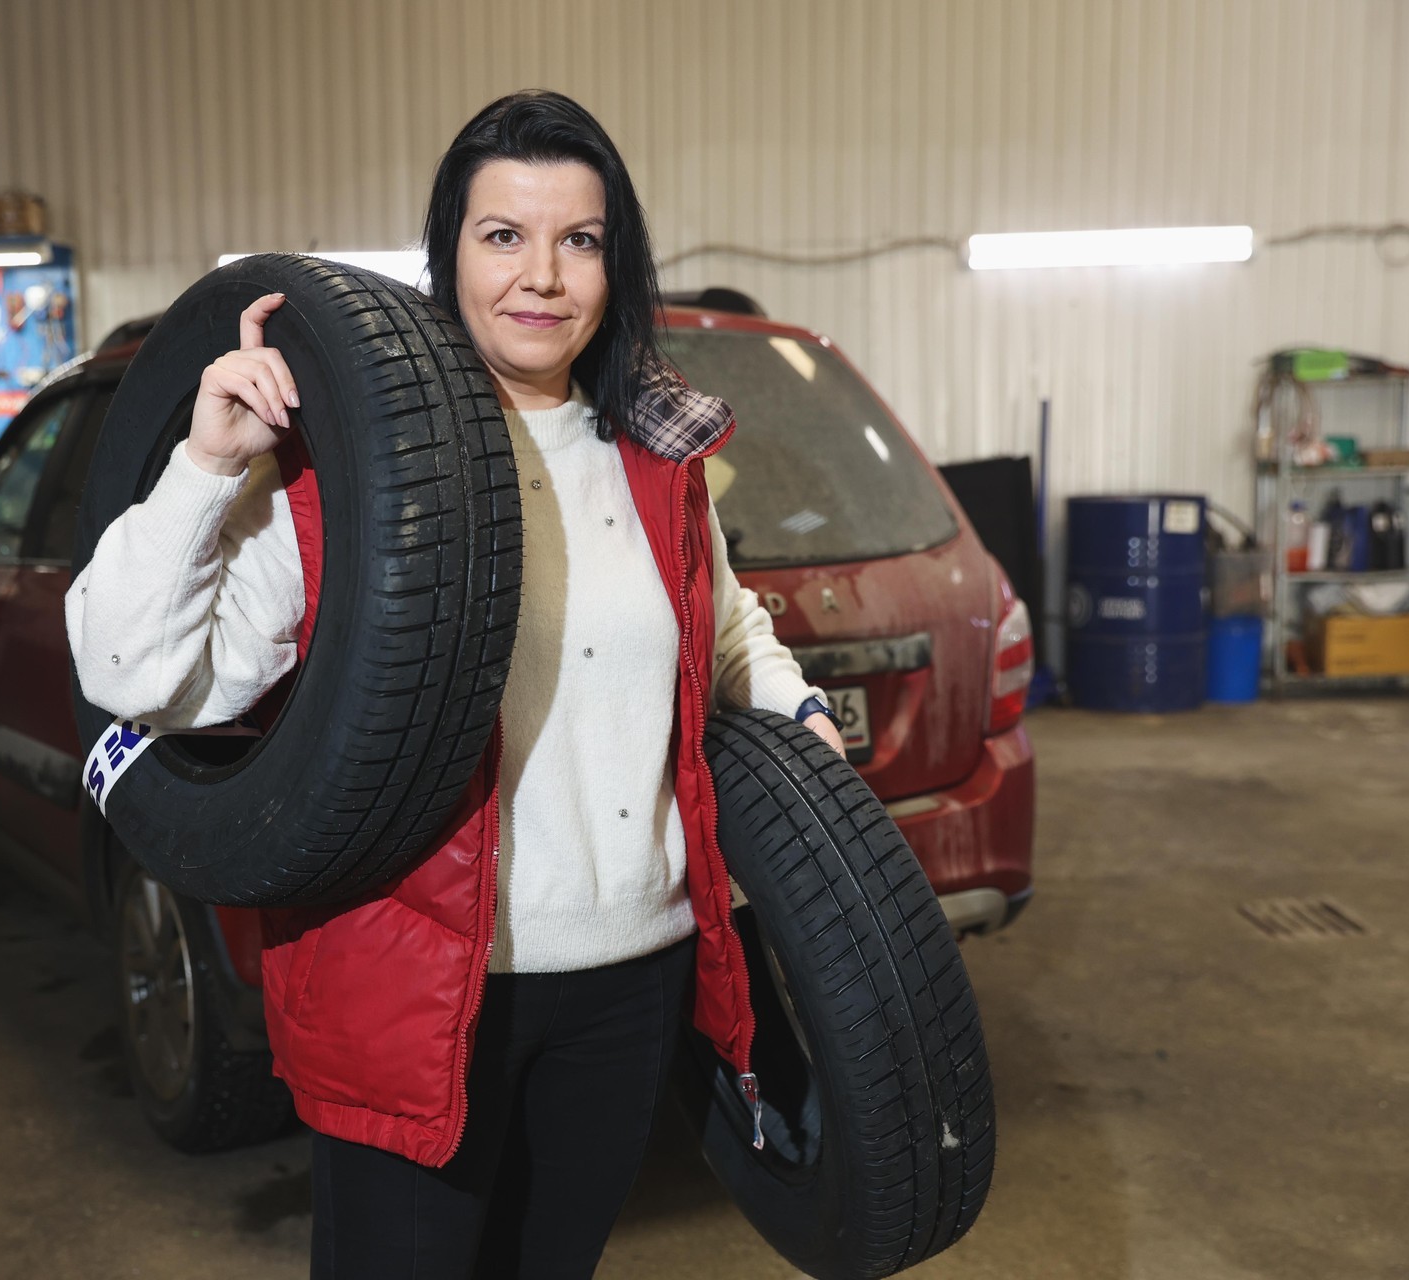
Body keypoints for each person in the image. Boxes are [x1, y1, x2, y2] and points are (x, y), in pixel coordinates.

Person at [68, 88, 845, 1279]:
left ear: (612, 261)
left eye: (578, 240)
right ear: (450, 255)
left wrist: (796, 711)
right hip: (419, 985)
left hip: (629, 982)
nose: (542, 276)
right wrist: (208, 462)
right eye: (503, 236)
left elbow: (725, 624)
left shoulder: (657, 457)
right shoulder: (352, 475)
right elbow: (139, 674)